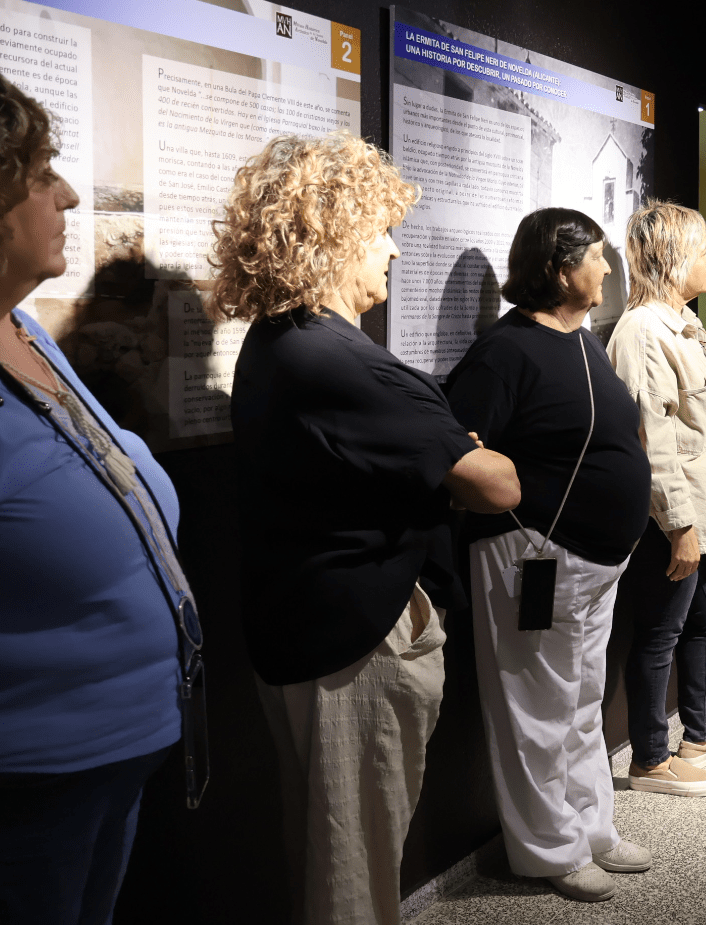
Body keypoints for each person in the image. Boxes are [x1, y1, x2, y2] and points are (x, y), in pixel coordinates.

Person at [211, 131, 520, 925]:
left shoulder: (282, 344)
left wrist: (445, 450)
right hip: (354, 648)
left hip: (312, 632)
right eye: (379, 230)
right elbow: (497, 484)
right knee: (354, 865)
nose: (392, 250)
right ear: (333, 234)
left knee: (333, 847)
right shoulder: (337, 361)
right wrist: (459, 453)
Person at [0, 74, 202, 924]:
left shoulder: (23, 329)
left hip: (110, 756)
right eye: (41, 172)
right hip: (28, 776)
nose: (70, 196)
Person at [445, 207, 655, 902]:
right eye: (596, 256)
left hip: (595, 563)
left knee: (583, 700)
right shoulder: (504, 352)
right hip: (535, 556)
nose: (606, 267)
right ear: (559, 269)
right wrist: (529, 522)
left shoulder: (583, 340)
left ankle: (591, 829)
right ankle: (548, 850)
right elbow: (461, 449)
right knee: (536, 709)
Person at [607, 199, 706, 796]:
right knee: (661, 631)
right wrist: (680, 526)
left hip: (702, 512)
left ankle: (698, 735)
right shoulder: (643, 332)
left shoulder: (682, 320)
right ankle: (650, 760)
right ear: (671, 257)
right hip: (672, 519)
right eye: (702, 248)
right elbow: (651, 442)